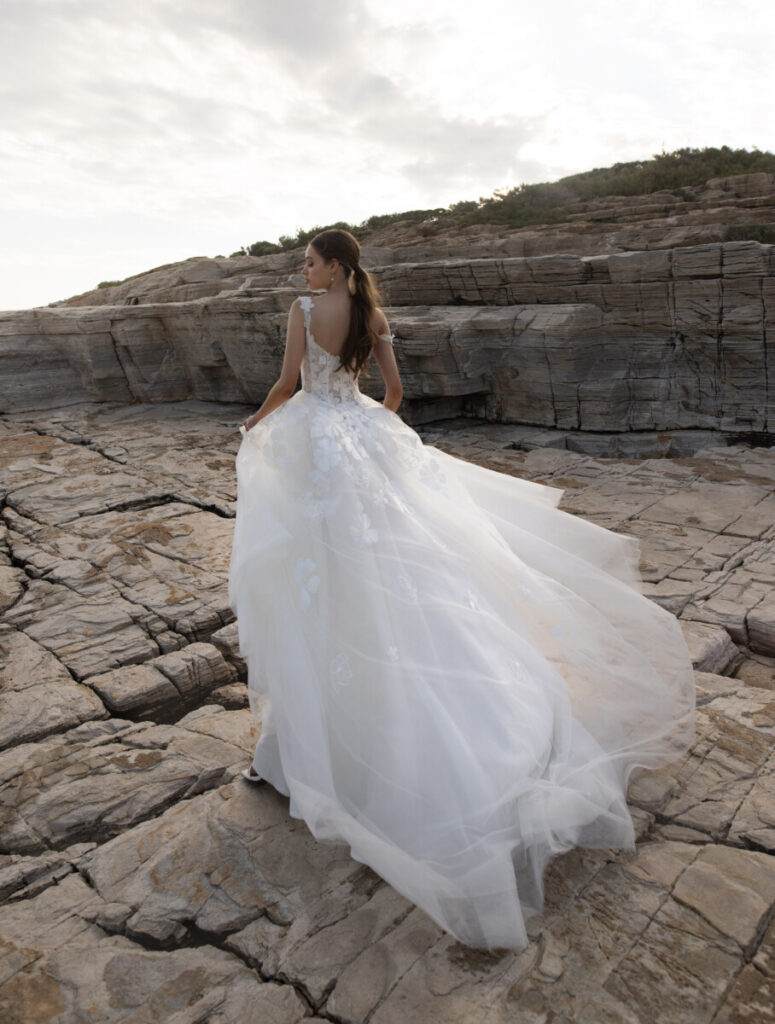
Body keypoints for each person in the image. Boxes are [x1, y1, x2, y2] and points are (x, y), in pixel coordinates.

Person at [227, 228, 695, 951]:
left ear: (335, 264)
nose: (304, 268)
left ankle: (305, 753)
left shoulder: (303, 307)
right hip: (364, 441)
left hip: (320, 451)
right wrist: (363, 429)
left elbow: (288, 385)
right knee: (399, 583)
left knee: (322, 595)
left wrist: (253, 428)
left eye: (312, 259)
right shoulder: (373, 316)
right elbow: (395, 395)